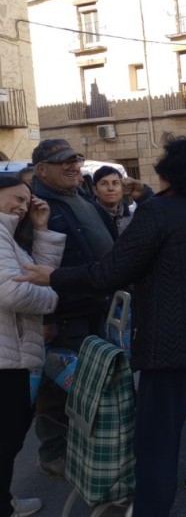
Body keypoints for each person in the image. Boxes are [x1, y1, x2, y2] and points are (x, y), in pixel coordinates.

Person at [17, 136, 186, 517]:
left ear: (172, 171)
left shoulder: (159, 212)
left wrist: (53, 276)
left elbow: (110, 271)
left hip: (172, 347)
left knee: (156, 446)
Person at [29, 138, 118, 477]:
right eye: (61, 161)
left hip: (95, 304)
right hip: (65, 310)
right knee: (56, 384)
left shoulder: (79, 196)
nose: (72, 166)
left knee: (87, 380)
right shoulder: (38, 205)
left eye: (75, 160)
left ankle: (84, 445)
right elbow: (32, 262)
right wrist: (46, 316)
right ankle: (54, 451)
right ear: (42, 169)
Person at [0, 177, 65, 517]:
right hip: (3, 357)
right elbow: (13, 291)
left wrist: (41, 230)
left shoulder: (7, 236)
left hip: (9, 352)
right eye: (17, 198)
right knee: (7, 436)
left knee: (10, 433)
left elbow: (34, 273)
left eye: (27, 201)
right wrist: (52, 296)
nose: (23, 207)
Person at [91, 165, 153, 235]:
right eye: (104, 184)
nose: (111, 188)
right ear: (95, 190)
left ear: (122, 188)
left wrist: (143, 194)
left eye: (115, 183)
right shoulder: (89, 219)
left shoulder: (133, 219)